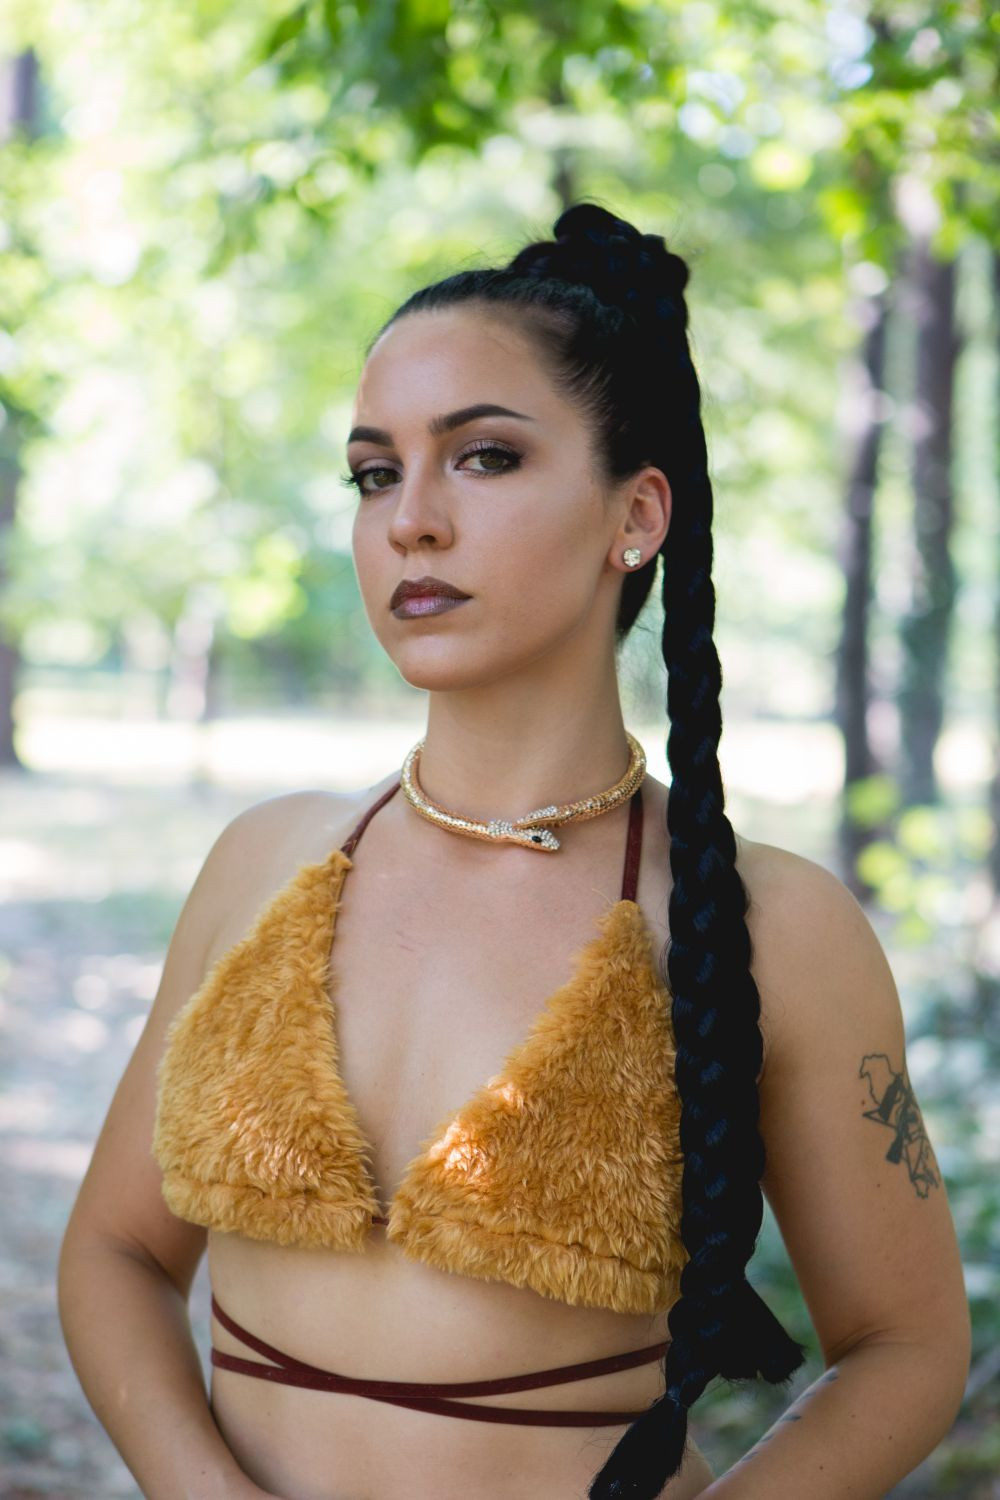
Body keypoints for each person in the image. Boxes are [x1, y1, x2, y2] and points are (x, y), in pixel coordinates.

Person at [58, 202, 971, 1500]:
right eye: (375, 474)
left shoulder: (765, 923)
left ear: (635, 515)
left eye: (483, 458)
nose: (411, 521)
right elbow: (115, 1256)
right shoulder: (261, 864)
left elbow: (908, 1348)